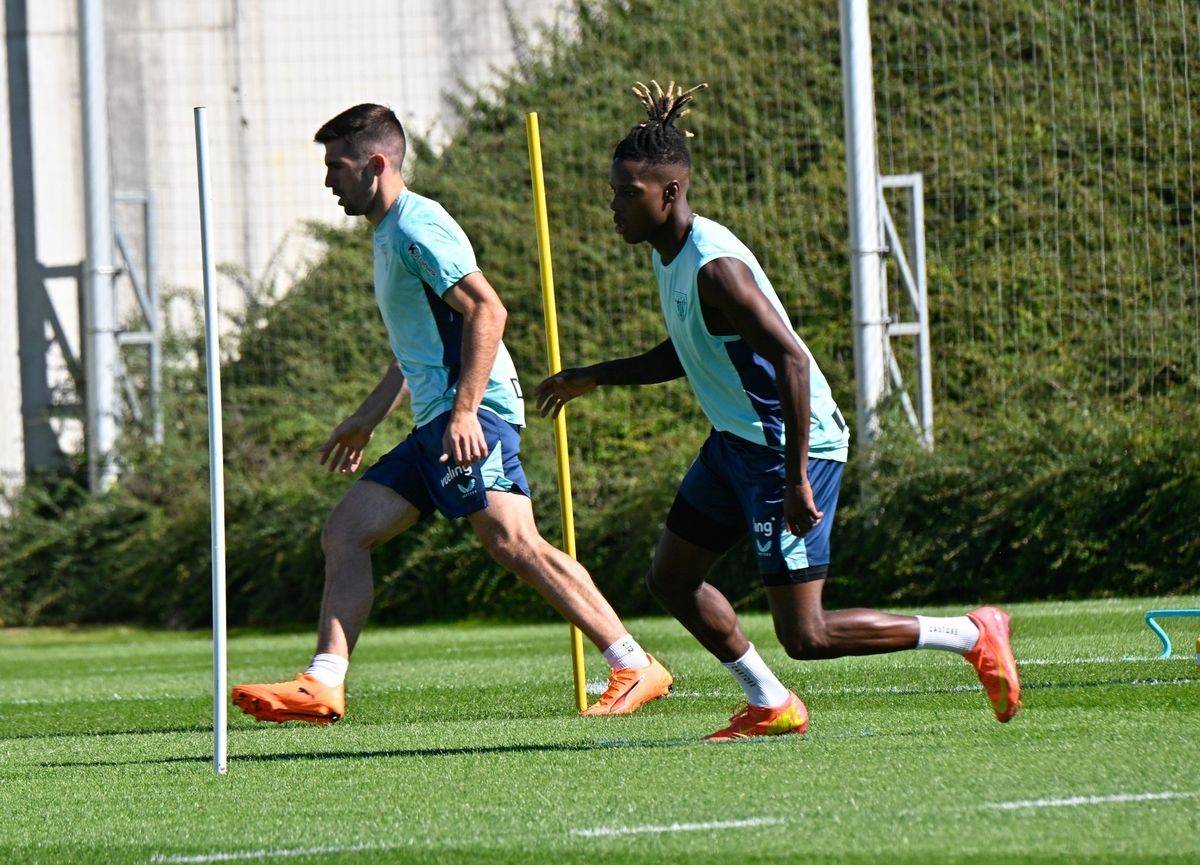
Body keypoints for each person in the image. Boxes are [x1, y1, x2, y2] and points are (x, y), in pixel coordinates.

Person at [534, 81, 1021, 741]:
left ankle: (969, 633)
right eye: (614, 191)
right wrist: (594, 376)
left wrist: (794, 476)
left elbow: (793, 360)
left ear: (670, 194)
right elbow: (689, 349)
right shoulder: (667, 255)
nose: (614, 207)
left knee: (807, 633)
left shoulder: (716, 268)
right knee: (672, 577)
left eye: (627, 194)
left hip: (790, 448)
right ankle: (770, 702)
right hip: (736, 444)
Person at [232, 103, 672, 725]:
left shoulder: (417, 227)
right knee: (346, 531)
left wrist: (466, 412)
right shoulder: (387, 232)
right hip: (436, 420)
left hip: (473, 414)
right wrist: (367, 418)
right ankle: (323, 683)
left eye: (337, 166)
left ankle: (632, 663)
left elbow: (487, 311)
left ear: (376, 164)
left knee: (512, 539)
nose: (329, 180)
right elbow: (416, 350)